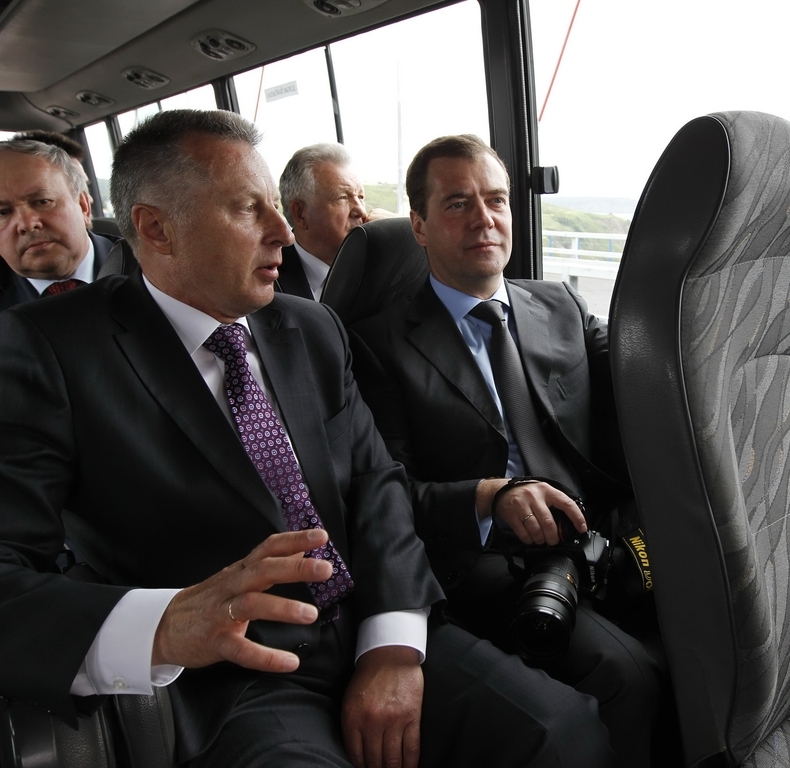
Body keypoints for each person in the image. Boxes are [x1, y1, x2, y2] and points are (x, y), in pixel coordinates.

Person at [0, 111, 615, 768]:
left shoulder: (313, 329)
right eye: (249, 209)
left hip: (368, 626)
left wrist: (391, 645)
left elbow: (377, 488)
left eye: (277, 205)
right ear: (156, 228)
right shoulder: (49, 350)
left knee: (564, 733)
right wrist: (165, 624)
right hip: (233, 678)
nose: (284, 232)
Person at [349, 134, 661, 768]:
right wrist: (492, 498)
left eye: (496, 200)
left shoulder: (560, 303)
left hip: (596, 533)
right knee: (628, 675)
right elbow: (388, 495)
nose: (484, 219)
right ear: (419, 225)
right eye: (457, 204)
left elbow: (649, 378)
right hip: (487, 555)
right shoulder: (376, 345)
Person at [0, 139, 119, 311]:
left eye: (43, 201)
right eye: (3, 212)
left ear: (83, 206)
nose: (27, 224)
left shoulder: (148, 266)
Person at [277, 143, 395, 301]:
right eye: (343, 197)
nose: (361, 211)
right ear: (300, 214)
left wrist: (399, 232)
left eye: (360, 197)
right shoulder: (268, 278)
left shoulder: (383, 267)